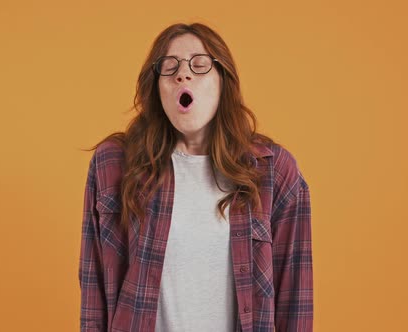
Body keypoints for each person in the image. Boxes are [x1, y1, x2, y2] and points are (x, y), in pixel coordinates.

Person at [79, 23, 313, 332]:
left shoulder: (273, 170)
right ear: (156, 88)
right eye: (169, 67)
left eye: (200, 65)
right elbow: (94, 292)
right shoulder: (115, 164)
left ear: (222, 82)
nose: (183, 75)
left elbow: (294, 300)